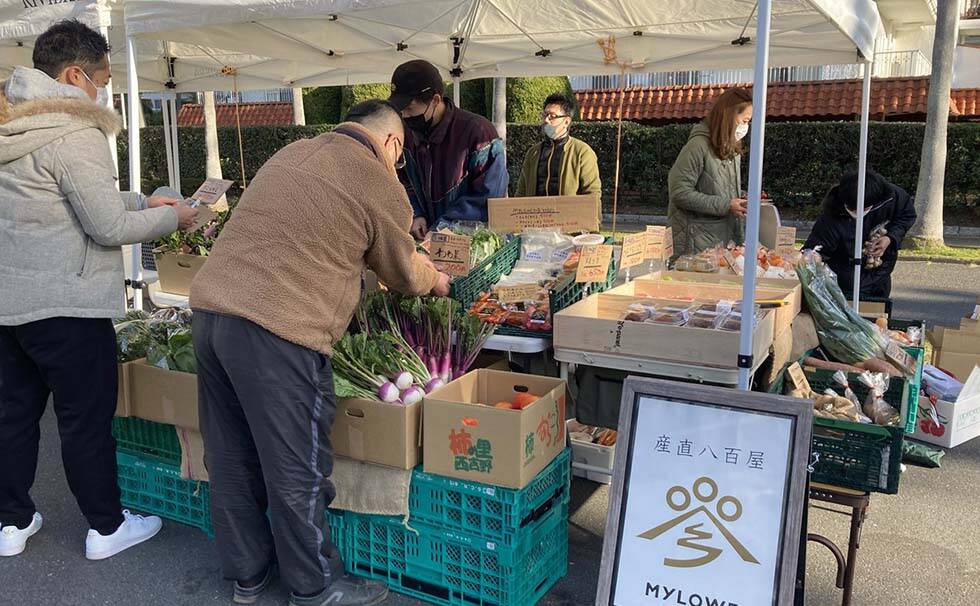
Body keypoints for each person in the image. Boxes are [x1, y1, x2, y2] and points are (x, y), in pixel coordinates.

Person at [189, 100, 450, 606]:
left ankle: (249, 575)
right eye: (398, 156)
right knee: (296, 466)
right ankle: (315, 586)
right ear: (392, 144)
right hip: (278, 328)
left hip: (211, 314)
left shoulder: (293, 152)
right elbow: (401, 271)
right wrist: (436, 278)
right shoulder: (376, 178)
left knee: (230, 453)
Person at [0, 20, 197, 559]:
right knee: (84, 421)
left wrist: (141, 202)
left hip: (10, 303)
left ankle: (12, 524)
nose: (105, 91)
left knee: (13, 417)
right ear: (72, 75)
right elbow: (106, 227)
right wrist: (172, 220)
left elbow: (63, 200)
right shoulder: (74, 130)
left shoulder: (14, 126)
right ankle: (106, 529)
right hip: (69, 302)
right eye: (102, 80)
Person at [387, 59, 508, 239]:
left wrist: (446, 226)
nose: (405, 115)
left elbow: (489, 196)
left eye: (410, 108)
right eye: (400, 109)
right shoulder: (407, 134)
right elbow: (402, 180)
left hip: (470, 242)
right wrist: (415, 213)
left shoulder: (479, 132)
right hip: (426, 239)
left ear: (435, 100)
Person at [804, 169, 916, 299]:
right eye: (852, 209)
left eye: (864, 208)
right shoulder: (833, 212)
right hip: (843, 279)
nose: (857, 212)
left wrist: (890, 237)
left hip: (880, 273)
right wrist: (811, 257)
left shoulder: (893, 197)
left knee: (877, 311)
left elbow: (907, 216)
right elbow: (818, 246)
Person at [667, 87, 753, 257]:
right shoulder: (698, 146)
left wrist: (741, 197)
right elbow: (679, 192)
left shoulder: (731, 148)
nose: (746, 126)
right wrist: (727, 204)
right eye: (744, 120)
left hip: (720, 241)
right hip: (696, 244)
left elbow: (717, 187)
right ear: (729, 117)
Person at [514, 93, 601, 198]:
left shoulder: (582, 152)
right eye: (544, 115)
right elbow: (521, 193)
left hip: (569, 213)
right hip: (536, 213)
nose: (546, 120)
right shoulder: (533, 153)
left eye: (552, 116)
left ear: (566, 121)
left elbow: (592, 194)